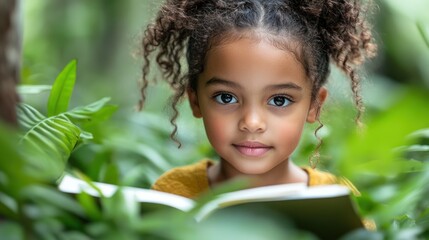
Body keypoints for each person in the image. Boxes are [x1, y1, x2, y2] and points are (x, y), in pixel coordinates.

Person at [138, 0, 377, 199]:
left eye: (279, 100)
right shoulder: (174, 192)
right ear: (195, 100)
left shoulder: (336, 200)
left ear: (314, 104)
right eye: (226, 97)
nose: (251, 122)